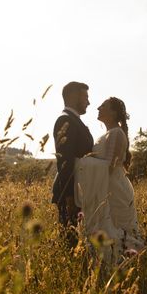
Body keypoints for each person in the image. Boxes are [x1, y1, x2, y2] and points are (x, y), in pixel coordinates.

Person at [75, 97, 143, 262]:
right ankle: (109, 263)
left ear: (113, 112)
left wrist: (80, 162)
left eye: (103, 105)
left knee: (118, 227)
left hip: (114, 189)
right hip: (105, 187)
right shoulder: (106, 134)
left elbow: (109, 166)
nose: (98, 107)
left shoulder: (116, 133)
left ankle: (123, 262)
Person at [52, 82, 93, 242]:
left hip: (79, 189)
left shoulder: (74, 120)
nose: (88, 102)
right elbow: (65, 160)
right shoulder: (65, 120)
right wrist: (69, 196)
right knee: (70, 240)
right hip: (71, 192)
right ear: (73, 96)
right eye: (86, 97)